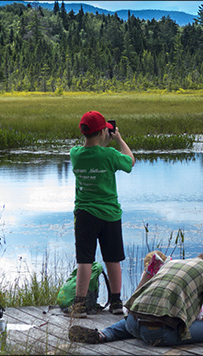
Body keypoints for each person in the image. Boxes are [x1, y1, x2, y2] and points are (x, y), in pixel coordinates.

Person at [68, 249, 203, 347]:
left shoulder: (173, 263)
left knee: (143, 316)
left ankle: (104, 334)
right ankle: (151, 334)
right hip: (158, 333)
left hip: (133, 322)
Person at [67, 110, 135, 318]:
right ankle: (116, 302)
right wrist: (120, 140)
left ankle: (79, 305)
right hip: (110, 214)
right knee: (112, 259)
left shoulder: (75, 154)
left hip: (85, 214)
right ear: (103, 131)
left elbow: (93, 152)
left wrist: (102, 139)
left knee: (85, 260)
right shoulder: (110, 155)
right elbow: (130, 162)